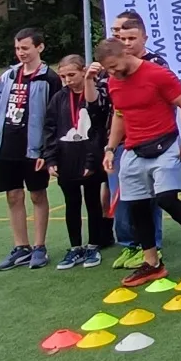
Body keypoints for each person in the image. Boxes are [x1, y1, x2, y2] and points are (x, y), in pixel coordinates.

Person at [97, 34, 181, 289]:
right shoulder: (113, 82)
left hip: (164, 144)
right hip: (133, 150)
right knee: (136, 206)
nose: (112, 72)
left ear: (125, 54)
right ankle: (152, 263)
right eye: (108, 69)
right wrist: (110, 149)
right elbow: (120, 116)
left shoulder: (157, 74)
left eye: (114, 66)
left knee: (166, 199)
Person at [0, 28, 62, 271]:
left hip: (34, 148)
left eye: (25, 48)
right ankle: (21, 247)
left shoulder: (49, 79)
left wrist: (48, 153)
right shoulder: (8, 76)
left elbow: (55, 117)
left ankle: (39, 246)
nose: (21, 53)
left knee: (37, 194)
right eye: (18, 49)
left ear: (39, 47)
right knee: (13, 196)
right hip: (7, 145)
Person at [45, 53, 111, 268]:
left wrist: (92, 161)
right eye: (63, 76)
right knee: (71, 204)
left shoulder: (95, 95)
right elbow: (51, 129)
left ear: (84, 71)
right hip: (66, 160)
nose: (67, 80)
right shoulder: (59, 98)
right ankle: (75, 248)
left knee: (92, 202)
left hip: (90, 159)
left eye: (72, 74)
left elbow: (99, 130)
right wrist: (50, 159)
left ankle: (93, 246)